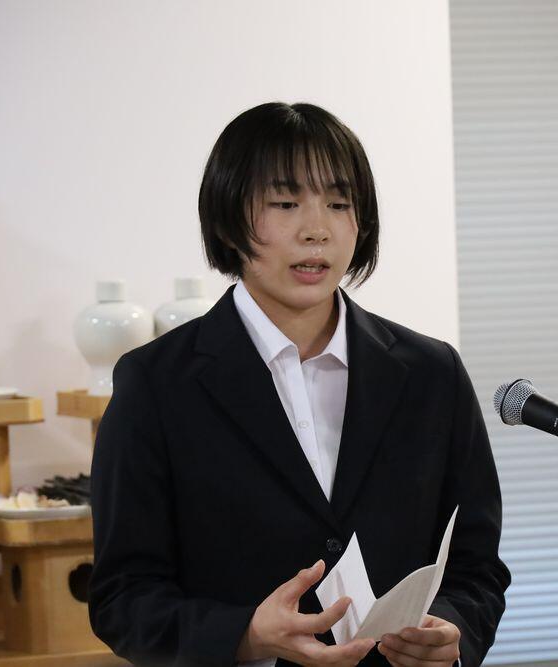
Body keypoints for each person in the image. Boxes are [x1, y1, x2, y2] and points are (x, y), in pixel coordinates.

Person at [88, 102, 510, 667]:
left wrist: (452, 634)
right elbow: (123, 599)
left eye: (339, 204)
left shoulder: (433, 373)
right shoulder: (156, 384)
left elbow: (477, 567)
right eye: (285, 204)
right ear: (227, 221)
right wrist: (245, 634)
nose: (317, 230)